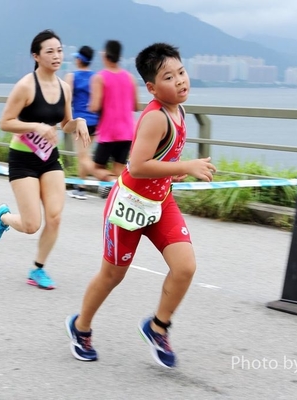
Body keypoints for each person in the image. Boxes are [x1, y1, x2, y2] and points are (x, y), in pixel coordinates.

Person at [66, 43, 216, 367]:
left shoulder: (179, 111)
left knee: (185, 267)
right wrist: (186, 166)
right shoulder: (156, 117)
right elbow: (136, 166)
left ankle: (158, 327)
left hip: (161, 202)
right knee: (112, 276)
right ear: (151, 88)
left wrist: (173, 172)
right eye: (168, 77)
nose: (179, 80)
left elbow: (160, 159)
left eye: (181, 72)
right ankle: (81, 327)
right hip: (129, 206)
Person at [0, 29, 91, 290]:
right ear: (36, 56)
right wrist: (36, 126)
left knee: (54, 217)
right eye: (50, 51)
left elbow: (65, 123)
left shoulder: (64, 88)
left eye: (60, 50)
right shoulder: (26, 86)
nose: (57, 56)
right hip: (22, 160)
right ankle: (4, 218)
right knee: (32, 224)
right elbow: (5, 122)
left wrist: (78, 122)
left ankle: (37, 269)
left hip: (49, 159)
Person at [88, 40, 140, 198]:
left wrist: (91, 105)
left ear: (105, 55)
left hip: (109, 132)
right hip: (127, 132)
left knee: (96, 168)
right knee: (119, 170)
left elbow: (95, 106)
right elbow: (136, 105)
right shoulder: (130, 78)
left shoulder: (99, 78)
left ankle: (111, 183)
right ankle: (118, 198)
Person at [65, 45, 100, 200]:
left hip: (80, 121)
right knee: (85, 154)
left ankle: (104, 180)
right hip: (95, 121)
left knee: (82, 156)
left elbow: (67, 98)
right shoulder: (96, 77)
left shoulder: (72, 77)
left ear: (79, 60)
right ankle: (81, 187)